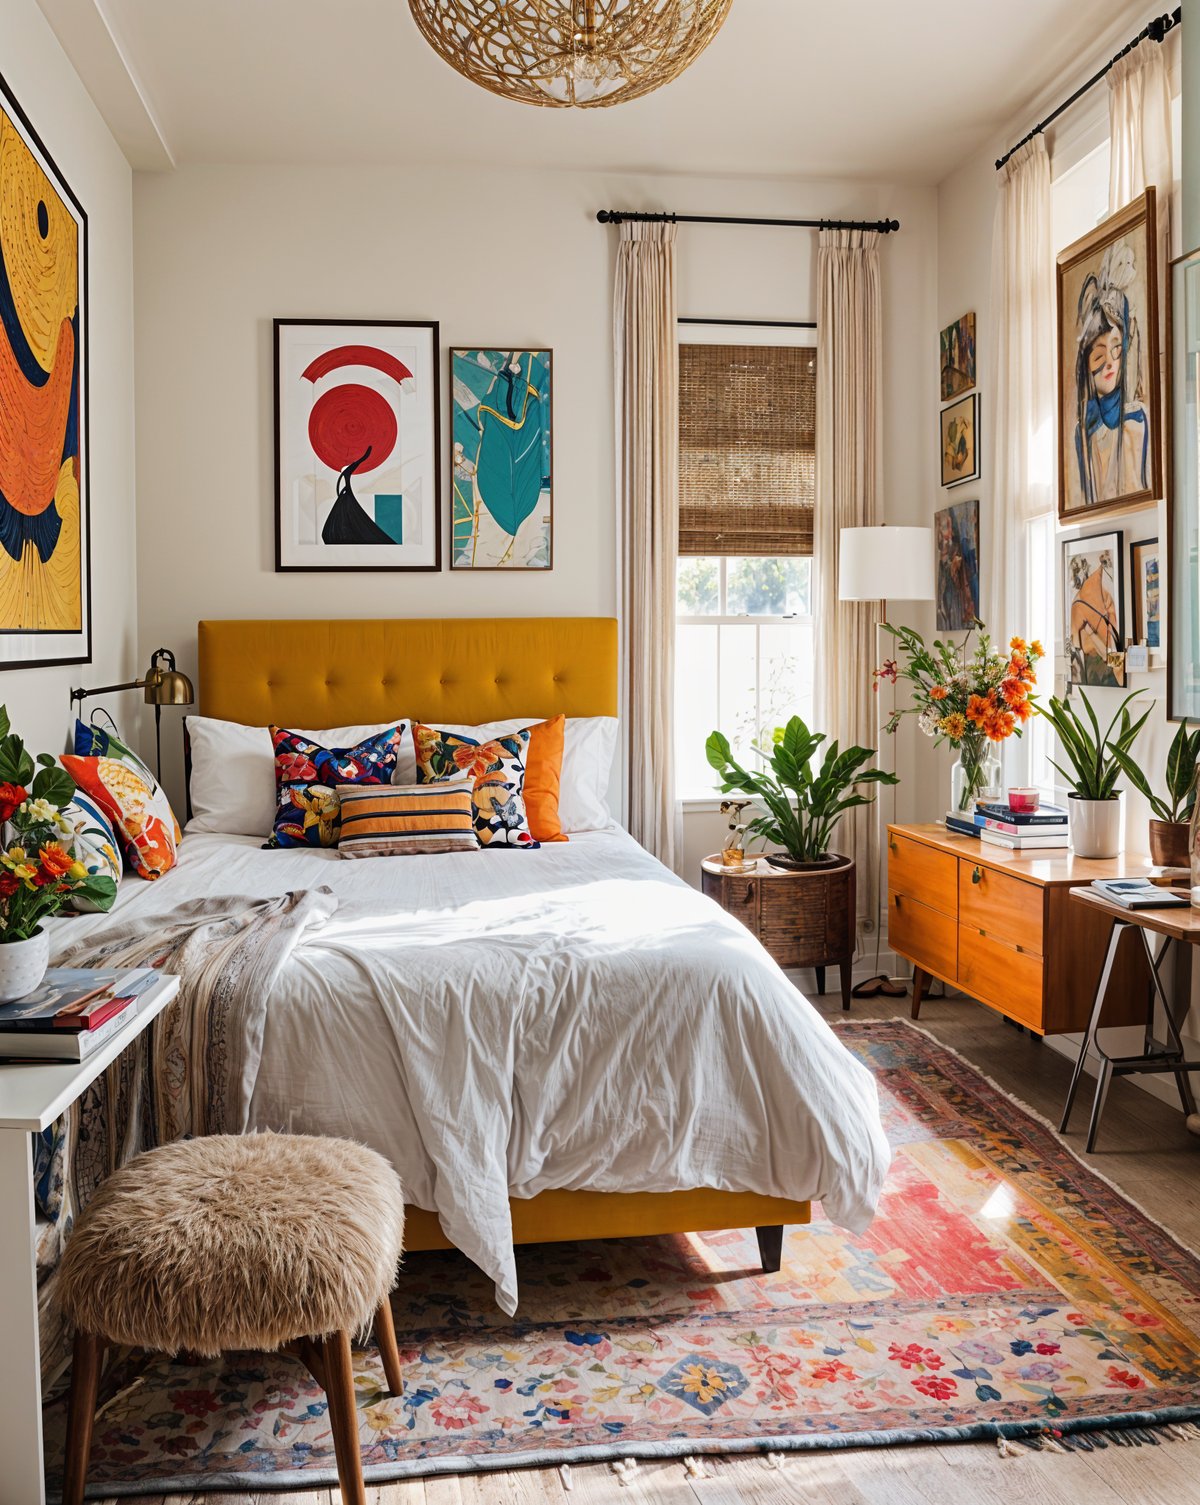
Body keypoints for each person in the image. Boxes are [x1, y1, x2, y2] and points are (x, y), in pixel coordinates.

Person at [1074, 243, 1150, 506]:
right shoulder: (1083, 431)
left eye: (1116, 350)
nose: (1109, 363)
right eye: (1098, 356)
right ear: (1086, 366)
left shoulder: (1135, 421)